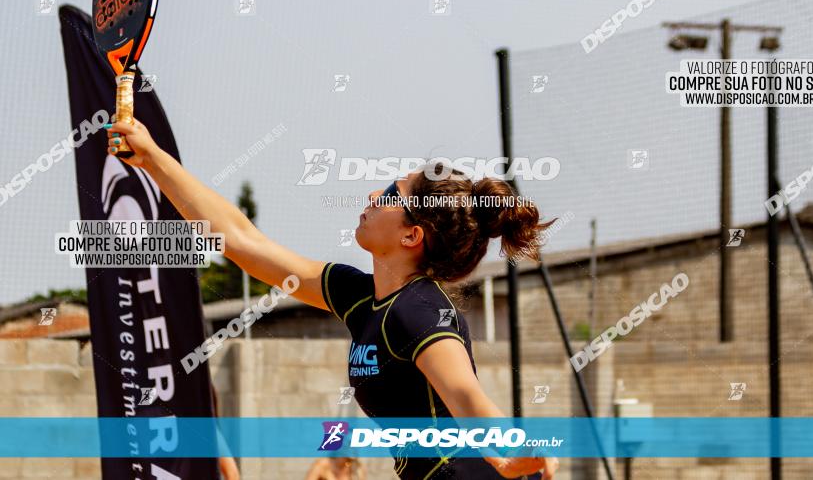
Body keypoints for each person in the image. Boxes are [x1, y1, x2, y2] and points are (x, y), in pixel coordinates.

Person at [105, 119, 559, 479]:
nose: (370, 195)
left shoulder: (419, 310)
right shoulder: (361, 296)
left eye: (387, 194)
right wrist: (154, 160)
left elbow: (465, 394)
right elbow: (242, 240)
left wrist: (510, 454)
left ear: (411, 234)